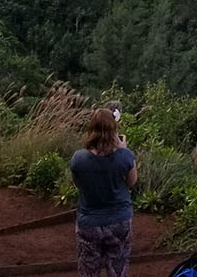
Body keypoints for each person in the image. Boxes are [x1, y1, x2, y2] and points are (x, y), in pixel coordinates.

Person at [70, 107, 138, 277]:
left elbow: (78, 184)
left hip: (89, 222)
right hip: (120, 221)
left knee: (88, 271)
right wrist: (122, 149)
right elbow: (131, 182)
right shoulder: (126, 156)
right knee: (118, 269)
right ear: (113, 131)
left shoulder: (79, 159)